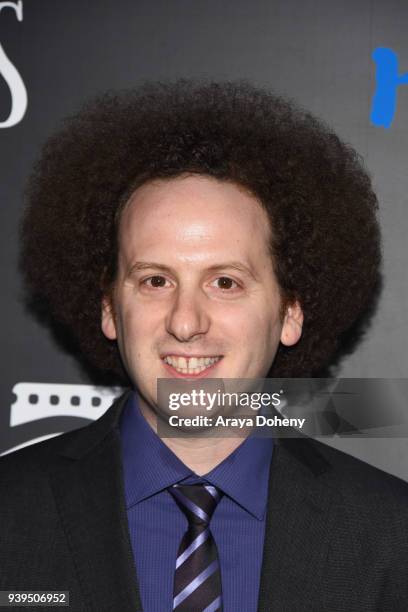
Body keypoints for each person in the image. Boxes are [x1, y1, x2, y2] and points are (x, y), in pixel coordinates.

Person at [1, 80, 407, 611]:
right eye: (154, 280)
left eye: (225, 282)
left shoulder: (390, 535)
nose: (186, 323)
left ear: (290, 313)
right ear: (107, 309)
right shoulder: (10, 513)